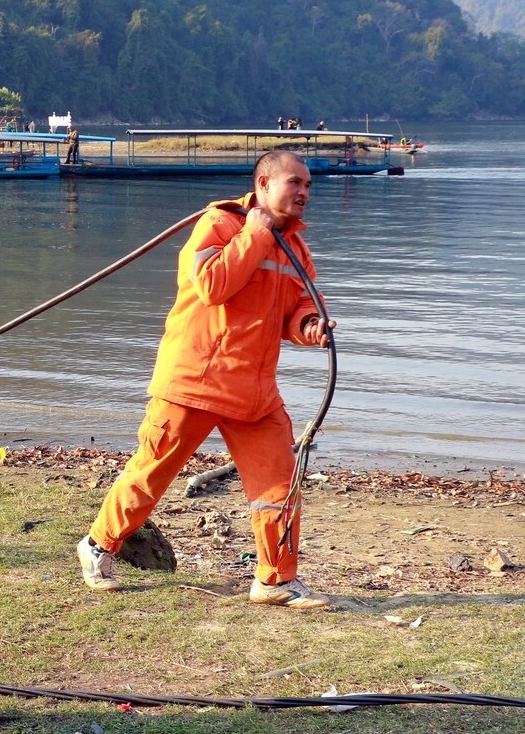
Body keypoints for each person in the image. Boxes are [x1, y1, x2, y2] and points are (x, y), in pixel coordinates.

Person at [76, 150, 335, 609]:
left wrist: (309, 326)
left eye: (308, 186)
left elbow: (297, 311)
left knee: (279, 485)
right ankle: (98, 546)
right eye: (295, 182)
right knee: (150, 473)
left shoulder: (296, 248)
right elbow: (213, 285)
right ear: (262, 184)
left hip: (254, 392)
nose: (303, 193)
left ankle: (275, 579)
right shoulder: (219, 224)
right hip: (194, 379)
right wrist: (255, 234)